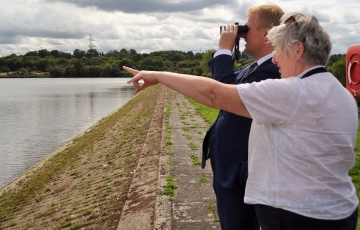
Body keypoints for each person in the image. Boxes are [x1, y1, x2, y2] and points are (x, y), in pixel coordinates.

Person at [124, 11, 359, 230]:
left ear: (298, 50)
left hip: (296, 214)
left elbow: (214, 94)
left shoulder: (294, 92)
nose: (275, 61)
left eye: (279, 51)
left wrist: (157, 75)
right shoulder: (340, 93)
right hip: (339, 210)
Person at [201, 4, 284, 230]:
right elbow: (221, 85)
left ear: (267, 33)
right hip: (230, 168)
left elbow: (223, 93)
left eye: (248, 29)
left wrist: (225, 49)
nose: (242, 33)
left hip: (242, 172)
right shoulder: (253, 68)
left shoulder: (273, 71)